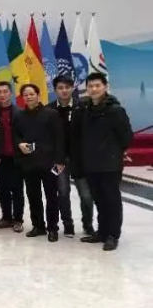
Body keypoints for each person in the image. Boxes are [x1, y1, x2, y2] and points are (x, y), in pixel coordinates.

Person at [75, 73, 133, 251]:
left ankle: (112, 235)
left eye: (97, 86)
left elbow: (126, 136)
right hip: (91, 163)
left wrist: (114, 152)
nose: (94, 89)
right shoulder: (85, 109)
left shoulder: (115, 110)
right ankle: (102, 232)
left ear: (105, 87)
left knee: (112, 200)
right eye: (90, 86)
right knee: (99, 200)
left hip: (110, 164)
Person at [13, 83, 64, 242]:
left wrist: (60, 160)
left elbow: (59, 139)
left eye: (31, 94)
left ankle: (53, 228)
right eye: (25, 95)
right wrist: (19, 144)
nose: (28, 97)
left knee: (51, 196)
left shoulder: (51, 114)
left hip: (49, 163)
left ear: (38, 95)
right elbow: (16, 136)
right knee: (33, 196)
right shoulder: (19, 116)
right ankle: (38, 226)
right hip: (29, 163)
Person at [49, 75, 94, 236]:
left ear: (73, 88)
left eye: (67, 87)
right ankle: (68, 224)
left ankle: (88, 224)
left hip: (80, 159)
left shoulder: (83, 107)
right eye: (60, 88)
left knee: (86, 195)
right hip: (59, 160)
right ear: (55, 90)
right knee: (62, 193)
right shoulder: (49, 110)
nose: (64, 91)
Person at [0, 82, 25, 233]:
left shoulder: (20, 112)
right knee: (2, 189)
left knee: (17, 189)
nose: (2, 94)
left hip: (16, 157)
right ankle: (6, 217)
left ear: (11, 93)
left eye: (5, 91)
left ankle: (18, 219)